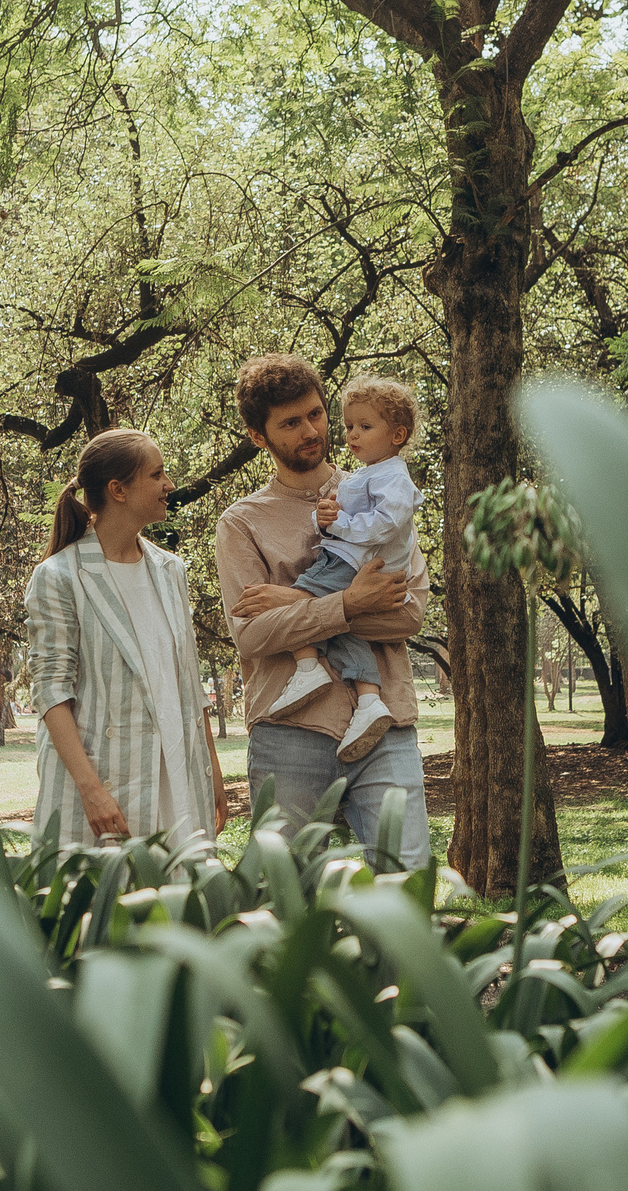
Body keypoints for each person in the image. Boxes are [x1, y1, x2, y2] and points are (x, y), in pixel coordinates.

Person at [215, 354, 430, 863]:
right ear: (258, 437)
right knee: (288, 898)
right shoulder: (242, 523)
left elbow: (408, 612)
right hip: (291, 731)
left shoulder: (382, 494)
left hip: (386, 727)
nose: (311, 430)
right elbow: (252, 635)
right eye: (291, 423)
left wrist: (294, 601)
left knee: (408, 885)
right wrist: (351, 603)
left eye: (315, 414)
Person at [24, 428, 229, 849]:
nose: (169, 485)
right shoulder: (59, 577)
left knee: (181, 912)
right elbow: (50, 693)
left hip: (181, 780)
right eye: (157, 475)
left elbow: (188, 682)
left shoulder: (171, 571)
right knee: (106, 910)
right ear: (118, 489)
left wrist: (212, 773)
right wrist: (92, 790)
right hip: (106, 788)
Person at [262, 377, 423, 763]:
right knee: (333, 622)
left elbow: (384, 524)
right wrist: (325, 516)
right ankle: (369, 700)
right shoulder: (367, 474)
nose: (351, 434)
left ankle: (307, 666)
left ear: (397, 434)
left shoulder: (394, 478)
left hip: (355, 564)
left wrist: (338, 526)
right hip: (349, 560)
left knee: (294, 603)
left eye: (365, 427)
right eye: (349, 425)